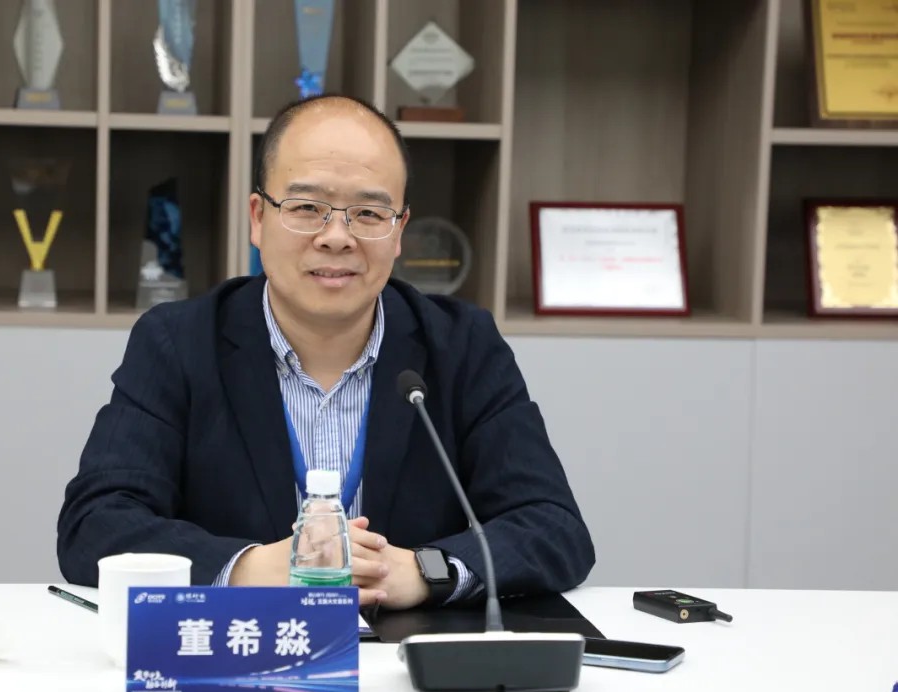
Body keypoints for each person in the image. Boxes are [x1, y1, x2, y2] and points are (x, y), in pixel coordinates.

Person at [56, 94, 595, 610]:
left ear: (399, 230)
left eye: (369, 214)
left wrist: (423, 571)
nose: (336, 237)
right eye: (307, 207)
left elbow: (553, 527)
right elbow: (95, 525)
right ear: (258, 218)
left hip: (405, 660)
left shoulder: (462, 345)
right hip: (243, 652)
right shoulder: (178, 343)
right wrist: (249, 569)